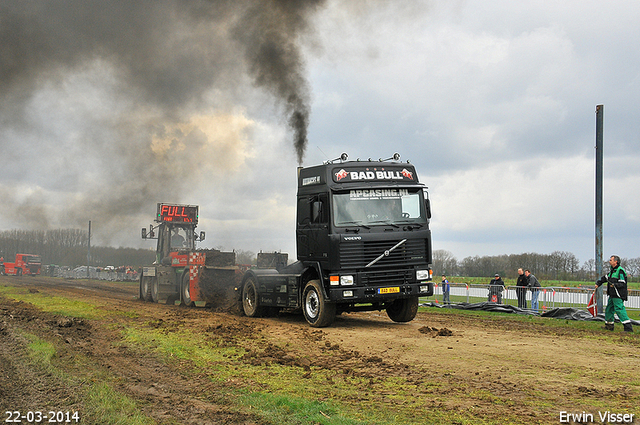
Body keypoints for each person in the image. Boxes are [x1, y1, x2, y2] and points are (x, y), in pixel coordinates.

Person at [596, 255, 633, 332]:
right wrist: (598, 283)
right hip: (612, 295)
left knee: (619, 310)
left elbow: (623, 283)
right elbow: (605, 278)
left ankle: (628, 328)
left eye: (611, 260)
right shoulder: (612, 271)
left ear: (615, 262)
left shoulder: (620, 271)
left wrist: (615, 285)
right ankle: (609, 326)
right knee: (609, 309)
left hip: (618, 294)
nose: (609, 261)